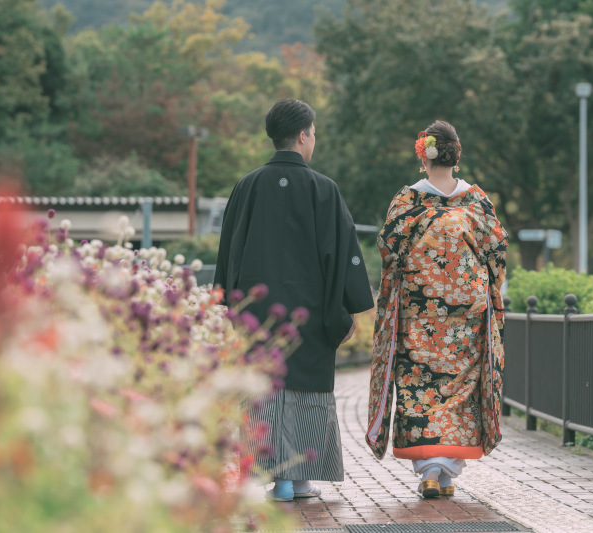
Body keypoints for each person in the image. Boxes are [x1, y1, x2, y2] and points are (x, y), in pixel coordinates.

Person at [215, 98, 375, 502]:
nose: (314, 139)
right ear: (303, 135)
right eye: (314, 132)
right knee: (306, 389)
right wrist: (351, 305)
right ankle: (301, 478)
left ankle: (274, 477)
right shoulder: (324, 189)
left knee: (262, 388)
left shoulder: (247, 186)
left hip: (259, 313)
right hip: (311, 311)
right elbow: (343, 254)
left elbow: (229, 251)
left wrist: (229, 303)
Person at [365, 120, 508, 498]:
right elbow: (497, 253)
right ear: (455, 156)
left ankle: (431, 469)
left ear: (423, 155)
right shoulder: (476, 201)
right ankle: (443, 472)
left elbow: (389, 250)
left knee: (419, 386)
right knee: (460, 389)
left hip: (419, 314)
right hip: (468, 316)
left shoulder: (407, 201)